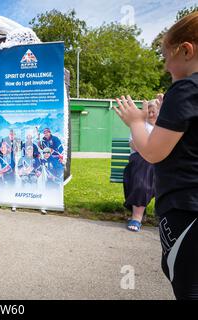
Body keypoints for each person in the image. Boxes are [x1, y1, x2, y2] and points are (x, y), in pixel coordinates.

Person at [113, 12, 198, 300]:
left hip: (185, 210)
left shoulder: (186, 89)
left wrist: (136, 121)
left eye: (165, 56)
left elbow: (151, 152)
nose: (164, 66)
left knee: (187, 283)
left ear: (186, 50)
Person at [123, 100, 159, 232]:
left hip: (158, 164)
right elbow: (135, 146)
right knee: (144, 167)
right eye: (148, 112)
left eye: (153, 112)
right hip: (139, 163)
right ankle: (137, 216)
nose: (150, 114)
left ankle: (138, 215)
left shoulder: (163, 128)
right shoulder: (139, 126)